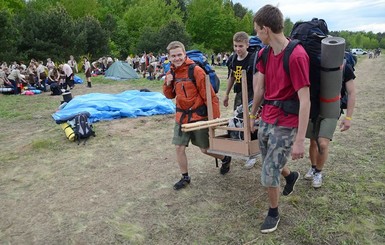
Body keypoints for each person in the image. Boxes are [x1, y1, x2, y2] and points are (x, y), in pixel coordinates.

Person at [248, 5, 310, 233]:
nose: (256, 35)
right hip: (267, 118)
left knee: (268, 171)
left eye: (256, 30)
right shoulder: (264, 54)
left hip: (287, 122)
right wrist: (252, 115)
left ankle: (273, 213)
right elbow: (260, 89)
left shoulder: (296, 55)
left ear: (266, 29)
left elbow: (305, 100)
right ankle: (290, 175)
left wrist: (300, 140)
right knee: (269, 163)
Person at [163, 41, 232, 190]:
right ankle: (185, 177)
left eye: (179, 55)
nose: (177, 58)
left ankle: (225, 158)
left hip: (198, 117)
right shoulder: (171, 72)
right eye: (173, 56)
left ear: (184, 54)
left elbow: (210, 96)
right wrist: (167, 84)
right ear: (169, 57)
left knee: (205, 149)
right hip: (181, 118)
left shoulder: (196, 71)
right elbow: (169, 95)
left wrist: (214, 118)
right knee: (179, 148)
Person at [304, 62, 356, 188]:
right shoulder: (311, 61)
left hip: (331, 109)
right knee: (313, 142)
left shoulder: (344, 65)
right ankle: (313, 167)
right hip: (314, 108)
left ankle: (318, 172)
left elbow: (351, 92)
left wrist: (348, 117)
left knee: (322, 143)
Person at [224, 31, 258, 169]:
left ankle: (253, 153)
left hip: (251, 93)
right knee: (238, 121)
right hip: (239, 94)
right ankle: (244, 147)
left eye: (240, 46)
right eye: (235, 46)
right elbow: (232, 76)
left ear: (247, 45)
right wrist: (226, 94)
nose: (238, 49)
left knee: (250, 122)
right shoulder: (232, 59)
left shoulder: (253, 59)